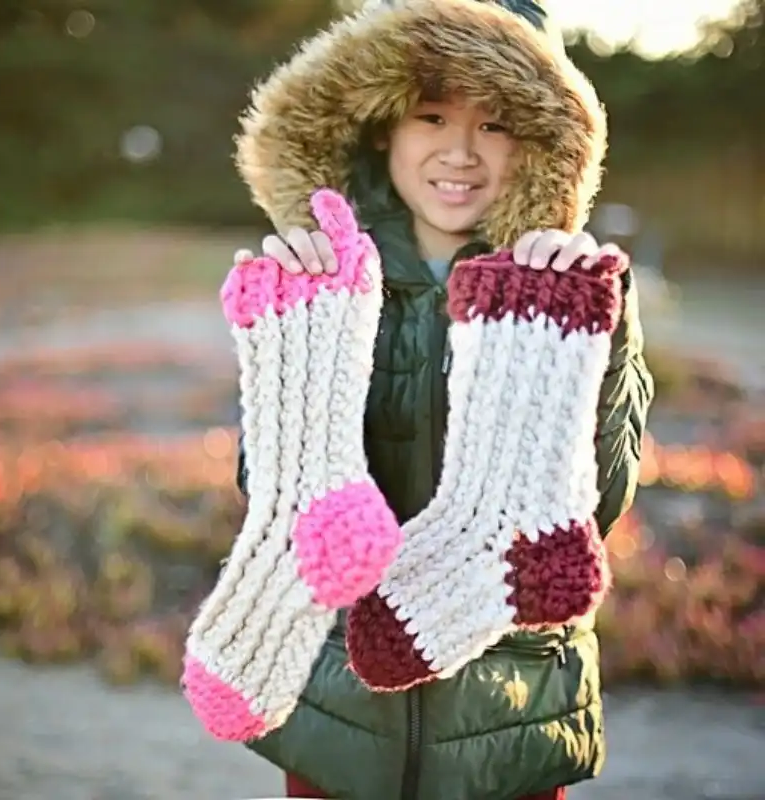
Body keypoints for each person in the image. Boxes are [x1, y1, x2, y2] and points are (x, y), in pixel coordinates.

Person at [230, 1, 654, 798]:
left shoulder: (569, 292)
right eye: (432, 115)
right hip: (337, 716)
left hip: (508, 717)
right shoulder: (322, 282)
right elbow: (273, 491)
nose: (461, 151)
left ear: (538, 143)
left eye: (495, 123)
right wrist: (293, 326)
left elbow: (598, 499)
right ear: (381, 125)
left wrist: (592, 329)